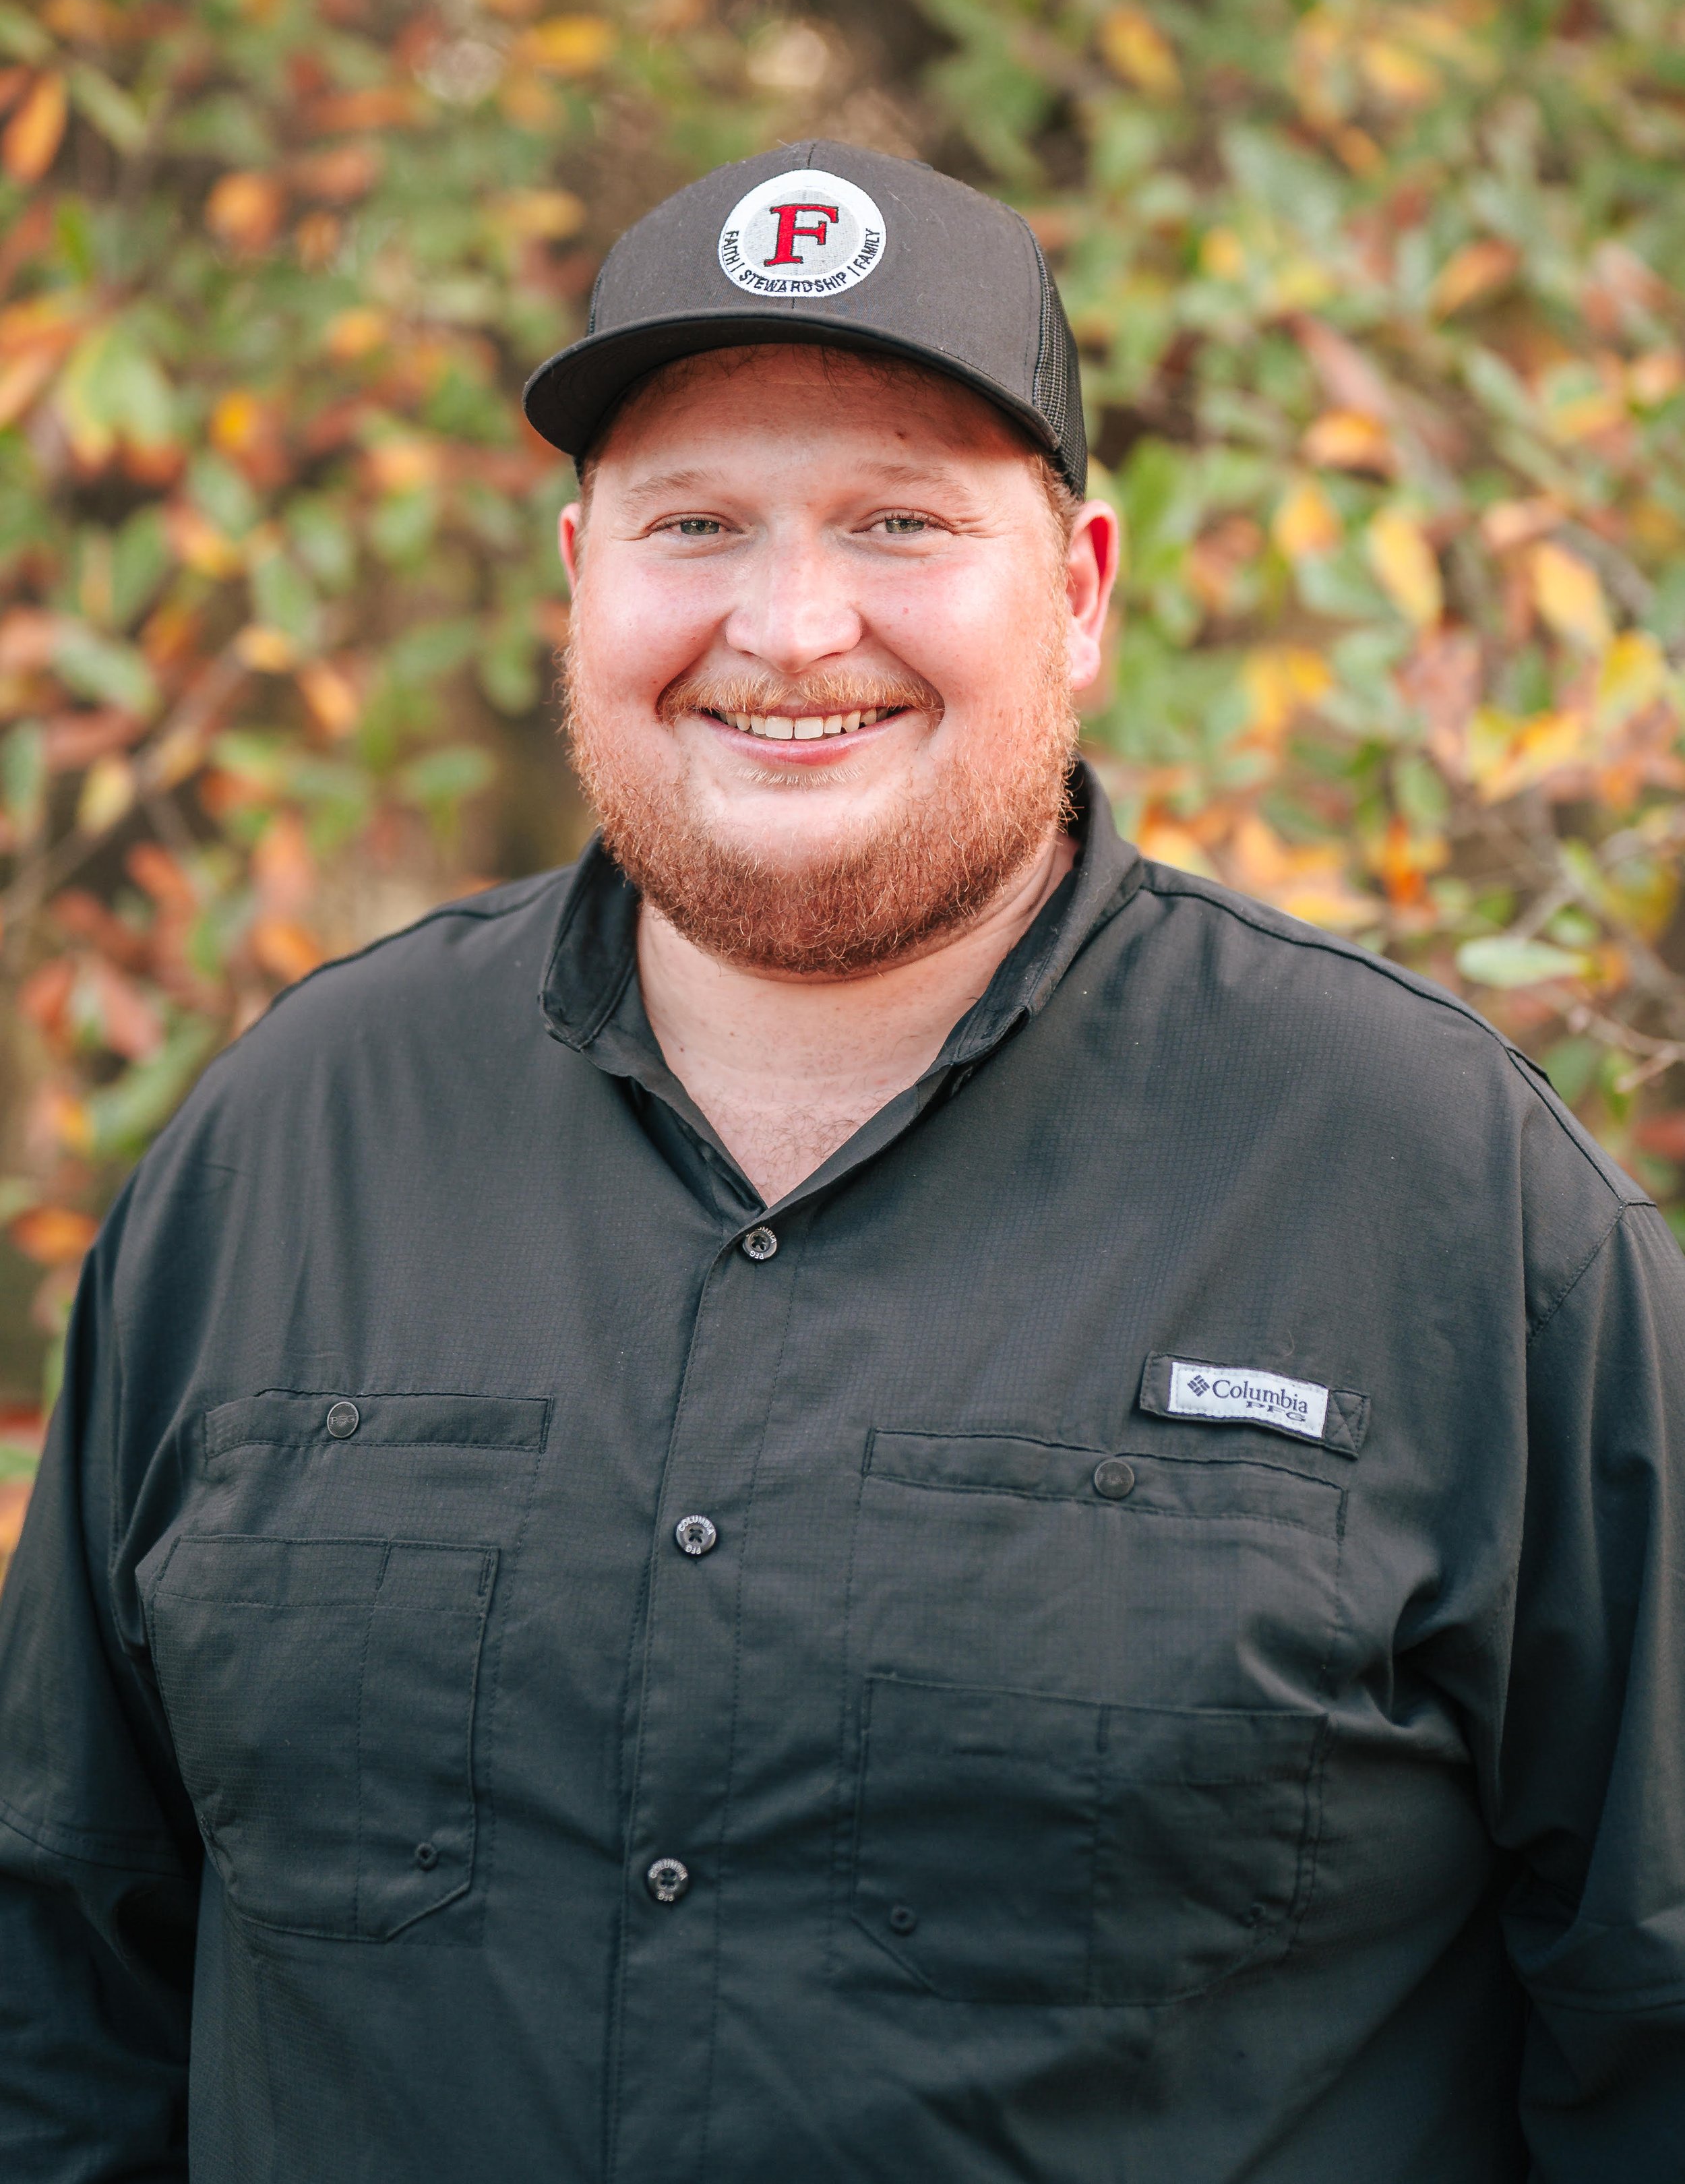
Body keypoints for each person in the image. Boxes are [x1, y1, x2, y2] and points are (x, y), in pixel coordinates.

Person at [1, 140, 1682, 2184]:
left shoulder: (1438, 1192)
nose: (790, 630)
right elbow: (61, 1987)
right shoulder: (284, 1149)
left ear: (1074, 590)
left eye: (898, 522)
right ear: (578, 577)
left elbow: (1649, 2006)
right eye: (697, 524)